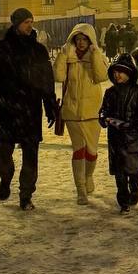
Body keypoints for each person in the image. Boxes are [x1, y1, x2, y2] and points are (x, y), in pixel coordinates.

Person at [0, 8, 56, 211]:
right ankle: (6, 177)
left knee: (30, 155)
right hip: (5, 109)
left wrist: (50, 106)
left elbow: (47, 82)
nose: (30, 26)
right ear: (16, 23)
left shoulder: (38, 51)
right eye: (26, 22)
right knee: (3, 154)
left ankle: (26, 195)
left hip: (30, 110)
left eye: (31, 21)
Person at [54, 22, 109, 205]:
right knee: (79, 150)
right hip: (72, 111)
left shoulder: (97, 56)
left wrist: (94, 54)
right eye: (77, 39)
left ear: (90, 40)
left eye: (84, 39)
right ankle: (80, 189)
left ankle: (88, 177)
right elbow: (59, 77)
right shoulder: (67, 57)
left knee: (92, 151)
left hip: (93, 111)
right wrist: (63, 55)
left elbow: (101, 77)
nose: (81, 43)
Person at [99, 54, 138, 213]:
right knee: (120, 174)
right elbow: (104, 110)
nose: (118, 75)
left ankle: (134, 189)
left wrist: (134, 122)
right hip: (116, 139)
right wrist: (103, 118)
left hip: (133, 139)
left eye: (121, 71)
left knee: (134, 172)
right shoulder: (110, 92)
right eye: (115, 71)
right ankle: (123, 200)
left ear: (130, 73)